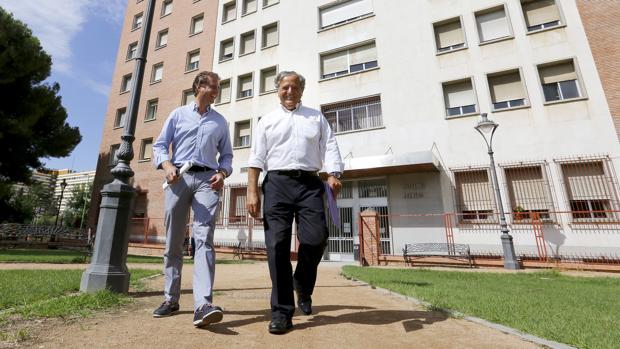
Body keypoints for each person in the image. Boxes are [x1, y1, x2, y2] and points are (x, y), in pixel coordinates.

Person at [246, 71, 344, 334]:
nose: (289, 91)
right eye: (284, 87)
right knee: (276, 245)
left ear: (302, 90)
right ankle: (281, 312)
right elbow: (256, 158)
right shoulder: (267, 121)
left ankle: (301, 281)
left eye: (294, 87)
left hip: (310, 184)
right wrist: (252, 191)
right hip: (277, 184)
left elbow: (330, 146)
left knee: (316, 238)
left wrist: (333, 174)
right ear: (278, 90)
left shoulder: (315, 117)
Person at [151, 71, 233, 328]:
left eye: (218, 87)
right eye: (213, 86)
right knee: (174, 240)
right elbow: (160, 146)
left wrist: (222, 173)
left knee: (203, 238)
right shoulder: (177, 115)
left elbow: (227, 156)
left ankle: (203, 304)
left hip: (208, 180)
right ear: (199, 86)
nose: (217, 91)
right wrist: (166, 166)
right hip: (178, 179)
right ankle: (170, 299)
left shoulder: (220, 121)